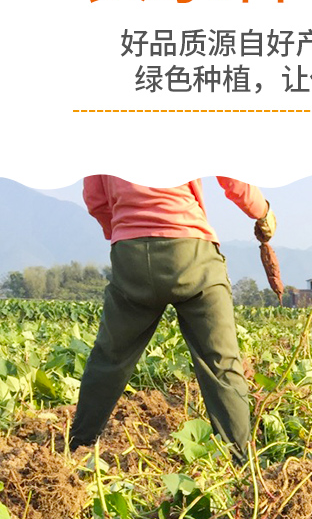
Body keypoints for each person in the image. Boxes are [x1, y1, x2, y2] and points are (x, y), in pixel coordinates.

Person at [69, 176, 276, 462]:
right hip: (191, 252)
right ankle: (239, 463)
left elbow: (95, 199)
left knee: (109, 358)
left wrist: (123, 231)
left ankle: (78, 448)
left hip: (130, 255)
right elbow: (233, 181)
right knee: (221, 362)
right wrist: (261, 211)